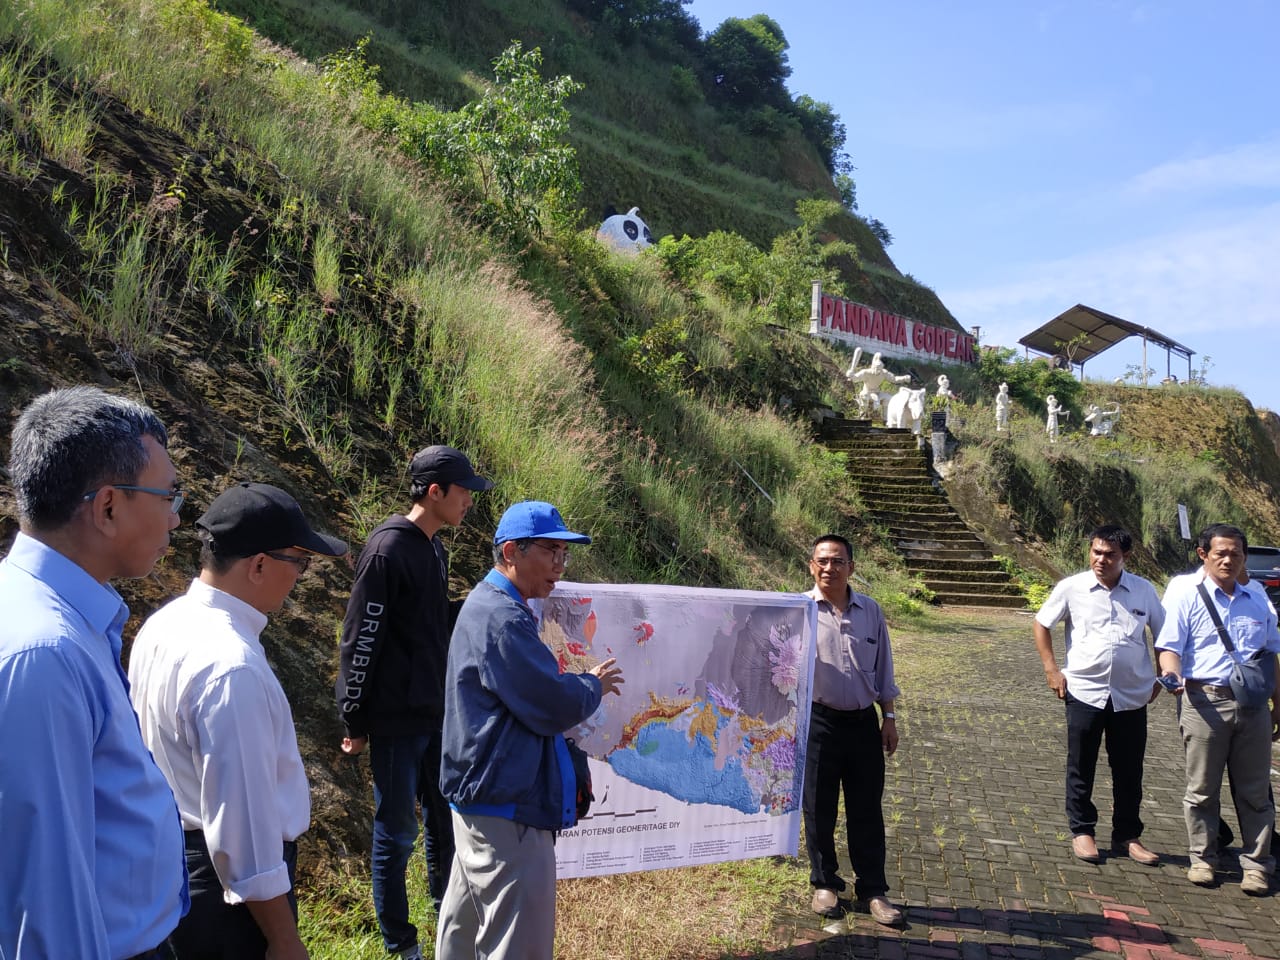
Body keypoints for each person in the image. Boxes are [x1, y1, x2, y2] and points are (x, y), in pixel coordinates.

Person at [0, 385, 188, 959]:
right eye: (169, 496)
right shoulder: (45, 653)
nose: (177, 520)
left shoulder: (54, 616)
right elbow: (46, 894)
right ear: (108, 507)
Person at [129, 482, 348, 959]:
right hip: (228, 899)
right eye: (300, 562)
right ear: (260, 565)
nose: (301, 577)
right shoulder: (232, 667)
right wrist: (283, 937)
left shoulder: (163, 624)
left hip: (173, 865)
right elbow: (242, 830)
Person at [435, 501, 624, 960]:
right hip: (507, 803)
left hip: (484, 796)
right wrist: (589, 686)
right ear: (512, 552)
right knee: (516, 943)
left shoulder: (494, 605)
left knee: (464, 929)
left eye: (565, 553)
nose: (560, 565)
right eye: (551, 551)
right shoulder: (503, 617)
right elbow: (549, 702)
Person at [335, 445, 493, 960]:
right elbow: (360, 638)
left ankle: (445, 916)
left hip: (434, 711)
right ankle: (400, 942)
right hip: (396, 720)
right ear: (434, 491)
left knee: (444, 822)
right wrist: (353, 715)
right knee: (397, 829)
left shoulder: (434, 549)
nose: (470, 500)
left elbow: (428, 625)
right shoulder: (387, 550)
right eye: (464, 491)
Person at [1156, 523, 1280, 895]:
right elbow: (1169, 647)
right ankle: (1203, 859)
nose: (1228, 559)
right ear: (1203, 554)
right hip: (1203, 701)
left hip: (1254, 707)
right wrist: (1171, 674)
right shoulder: (1184, 592)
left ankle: (1257, 865)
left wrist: (1279, 706)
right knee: (1202, 789)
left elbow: (1271, 653)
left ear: (1244, 557)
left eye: (1236, 553)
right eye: (1220, 552)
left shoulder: (1257, 595)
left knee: (1256, 792)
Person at [1033, 525, 1166, 865]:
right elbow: (1042, 623)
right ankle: (1082, 830)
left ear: (1126, 557)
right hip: (1084, 690)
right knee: (1081, 764)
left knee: (1129, 769)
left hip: (1132, 695)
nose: (1101, 560)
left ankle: (1127, 836)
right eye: (1096, 552)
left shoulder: (1143, 590)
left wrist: (1162, 675)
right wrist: (1051, 669)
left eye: (1110, 555)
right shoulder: (1072, 588)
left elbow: (1164, 635)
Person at [804, 534, 904, 926]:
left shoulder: (871, 611)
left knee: (866, 809)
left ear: (851, 566)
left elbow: (884, 668)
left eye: (838, 561)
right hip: (818, 723)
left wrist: (889, 717)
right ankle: (825, 882)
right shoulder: (799, 610)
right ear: (812, 566)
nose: (830, 568)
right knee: (819, 807)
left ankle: (874, 890)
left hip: (864, 724)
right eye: (822, 561)